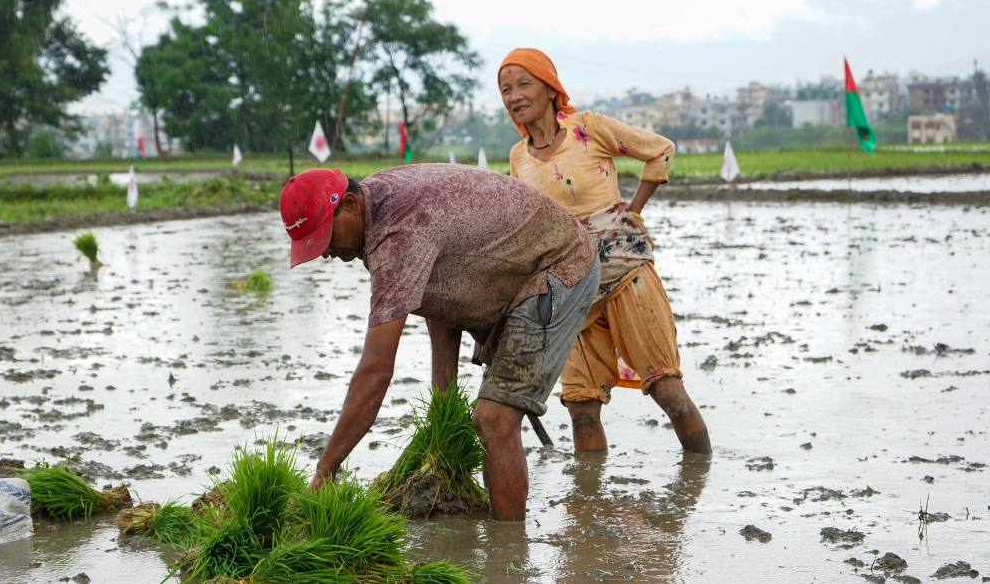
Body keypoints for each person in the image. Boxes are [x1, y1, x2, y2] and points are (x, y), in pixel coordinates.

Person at [280, 164, 601, 521]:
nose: (324, 253)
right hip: (516, 265)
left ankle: (508, 556)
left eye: (325, 238)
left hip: (557, 265)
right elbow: (439, 292)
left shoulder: (399, 233)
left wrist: (325, 471)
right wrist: (442, 402)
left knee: (494, 420)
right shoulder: (378, 203)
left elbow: (374, 372)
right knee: (494, 418)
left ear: (351, 205)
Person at [496, 48, 711, 454]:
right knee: (580, 403)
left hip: (625, 273)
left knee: (666, 389)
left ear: (550, 88)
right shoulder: (518, 157)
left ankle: (699, 477)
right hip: (572, 289)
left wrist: (632, 210)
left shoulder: (588, 129)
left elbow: (659, 149)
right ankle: (588, 500)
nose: (515, 96)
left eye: (524, 84)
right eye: (506, 89)